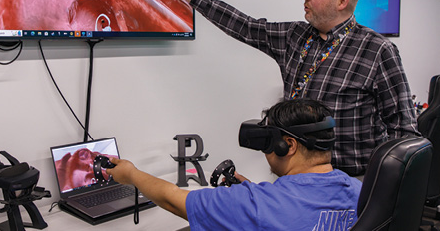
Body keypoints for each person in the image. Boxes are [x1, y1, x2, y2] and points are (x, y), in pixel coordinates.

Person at [156, 0, 420, 176]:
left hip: (349, 184)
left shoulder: (376, 50)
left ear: (342, 2)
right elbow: (246, 26)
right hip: (293, 177)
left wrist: (381, 187)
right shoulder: (296, 35)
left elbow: (403, 129)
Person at [106, 98, 362, 230]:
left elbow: (174, 200)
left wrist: (131, 174)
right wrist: (256, 191)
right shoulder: (363, 192)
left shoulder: (255, 204)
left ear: (288, 146)